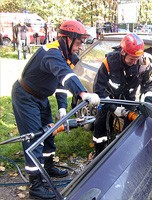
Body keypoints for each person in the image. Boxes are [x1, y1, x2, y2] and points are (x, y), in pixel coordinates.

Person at [11, 20, 100, 199]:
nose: (80, 46)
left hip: (40, 97)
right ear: (67, 39)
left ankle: (48, 166)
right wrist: (83, 94)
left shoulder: (66, 55)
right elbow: (66, 75)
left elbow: (61, 85)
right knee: (35, 138)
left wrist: (61, 107)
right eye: (78, 42)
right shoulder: (51, 53)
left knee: (49, 131)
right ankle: (36, 185)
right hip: (26, 96)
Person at [93, 33, 152, 156]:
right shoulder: (110, 62)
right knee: (100, 124)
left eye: (136, 59)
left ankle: (121, 154)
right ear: (123, 53)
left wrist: (146, 104)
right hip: (109, 98)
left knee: (128, 130)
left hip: (130, 100)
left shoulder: (144, 63)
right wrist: (113, 107)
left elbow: (151, 86)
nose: (134, 62)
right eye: (131, 58)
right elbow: (98, 88)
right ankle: (99, 153)